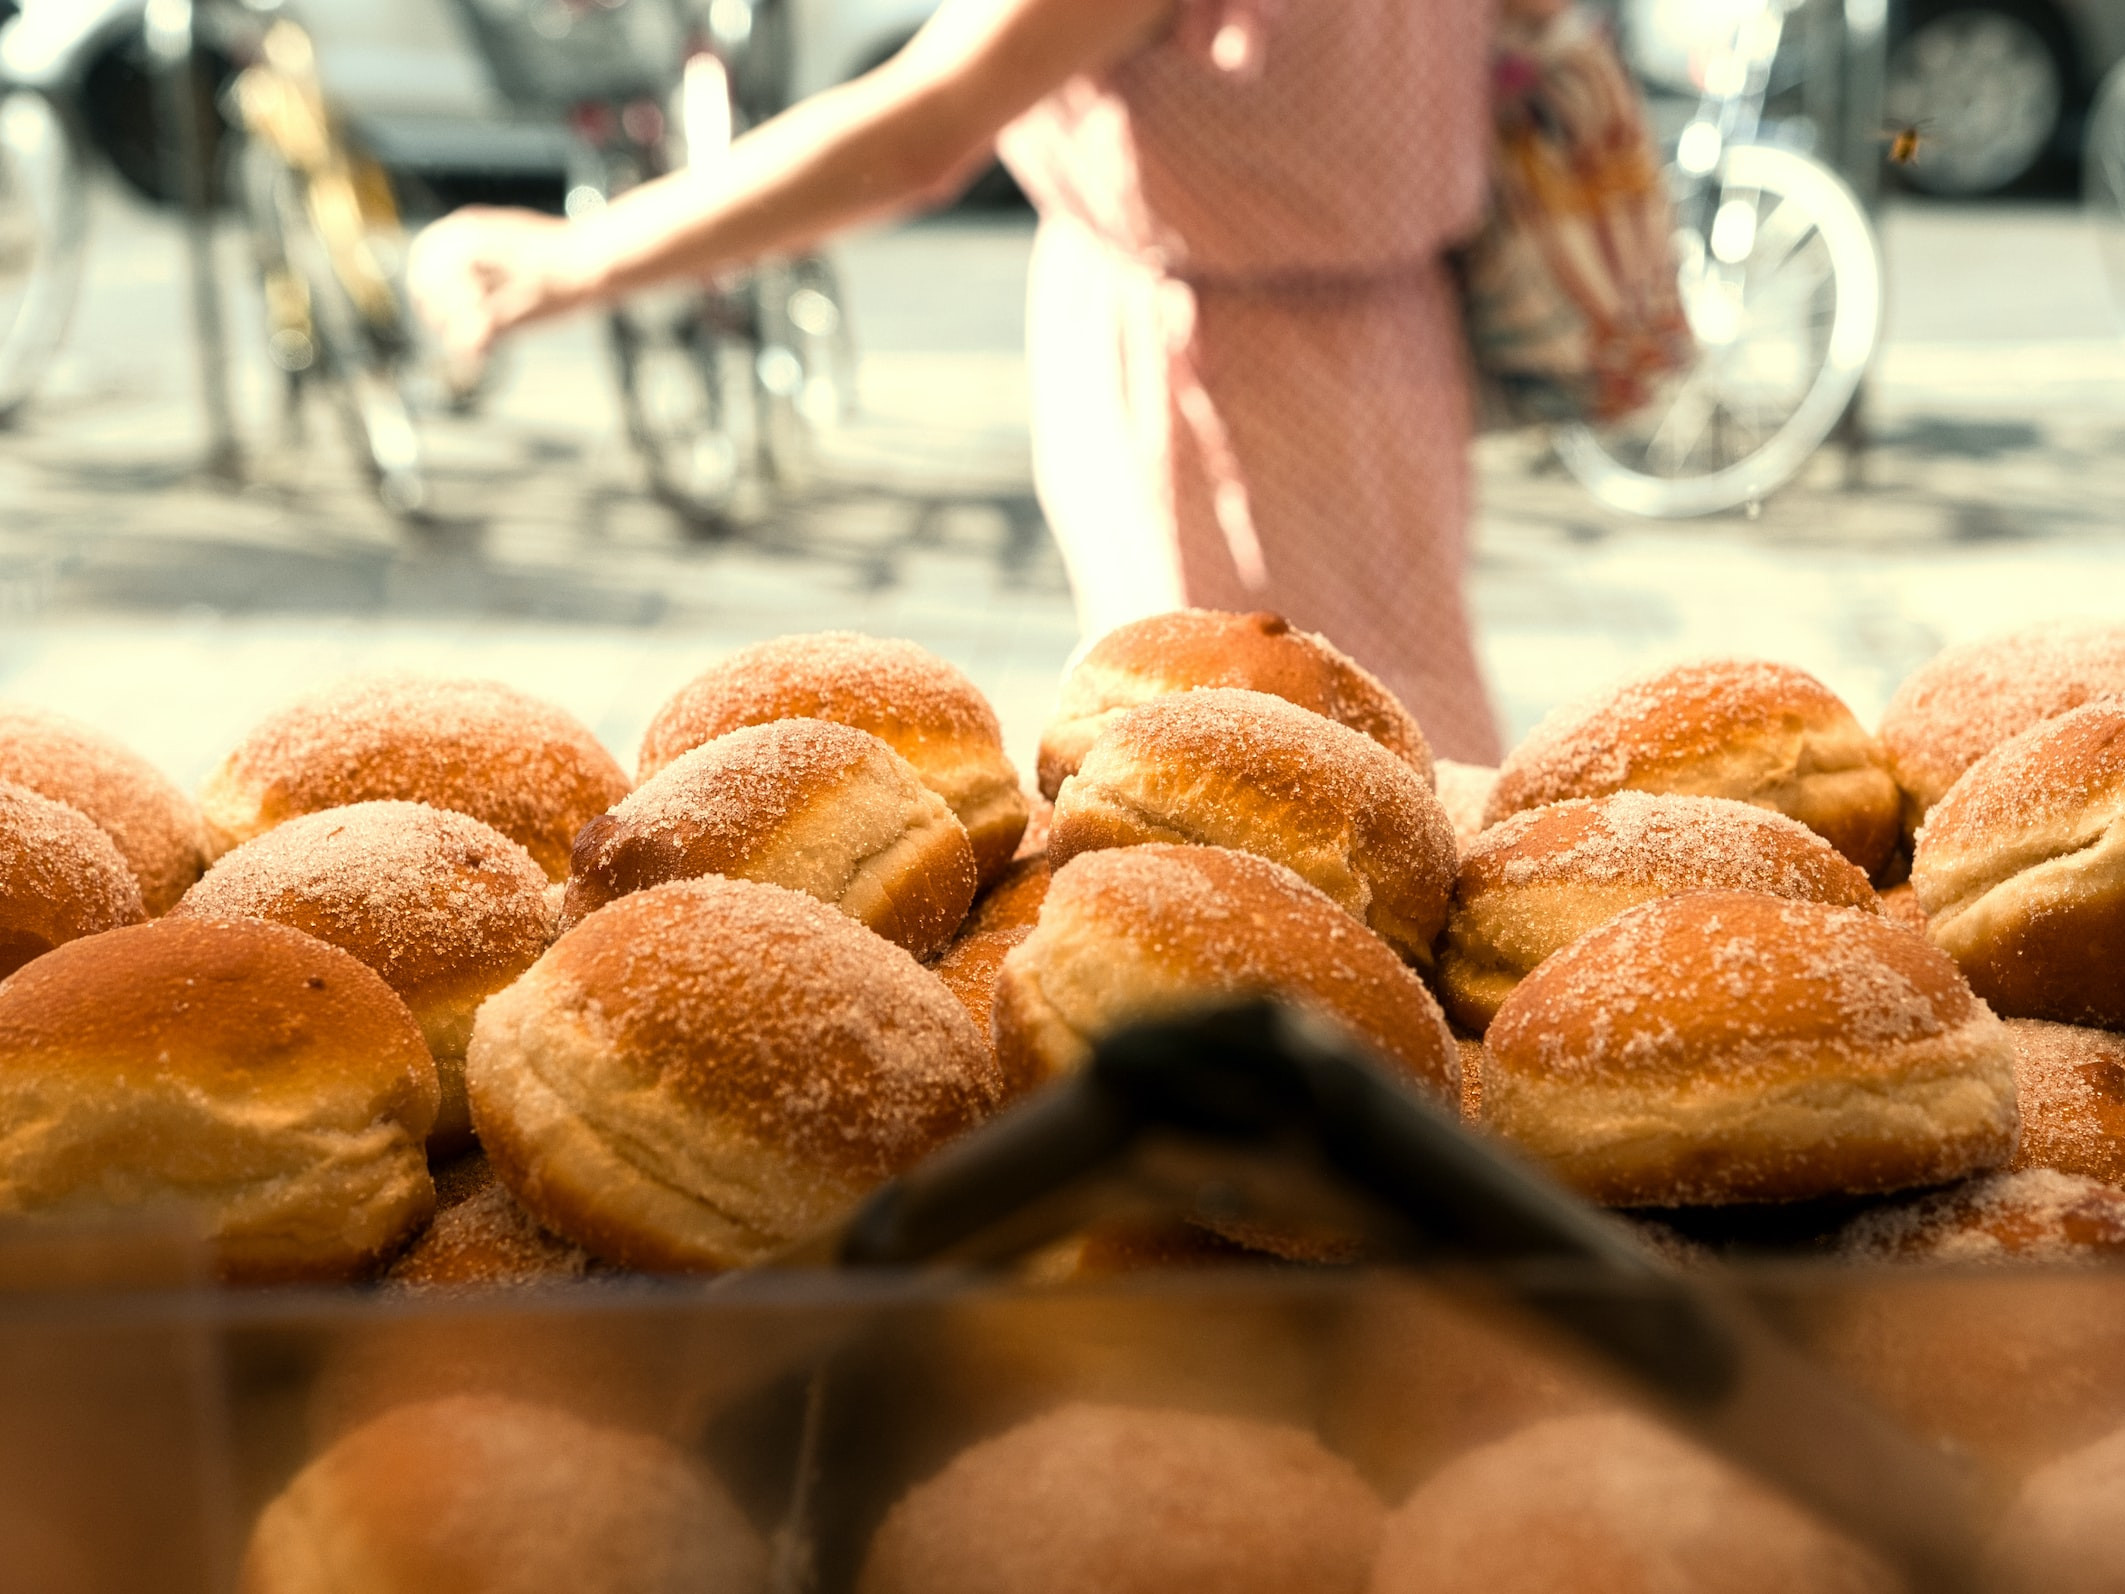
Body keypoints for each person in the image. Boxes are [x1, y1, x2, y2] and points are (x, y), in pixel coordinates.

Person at [411, 0, 1537, 762]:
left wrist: (571, 260)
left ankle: (1322, 1086)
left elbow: (916, 132)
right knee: (1384, 715)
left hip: (1214, 366)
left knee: (1245, 760)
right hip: (1392, 332)